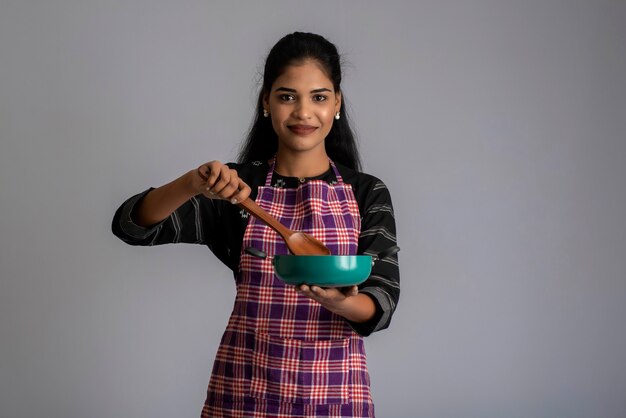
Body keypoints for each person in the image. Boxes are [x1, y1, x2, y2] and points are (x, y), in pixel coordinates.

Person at [112, 32, 400, 418]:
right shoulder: (236, 191)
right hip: (244, 394)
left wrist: (343, 302)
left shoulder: (366, 192)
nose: (303, 112)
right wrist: (191, 183)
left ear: (336, 104)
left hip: (336, 396)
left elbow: (381, 301)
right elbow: (133, 226)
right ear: (266, 102)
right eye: (287, 96)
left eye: (319, 96)